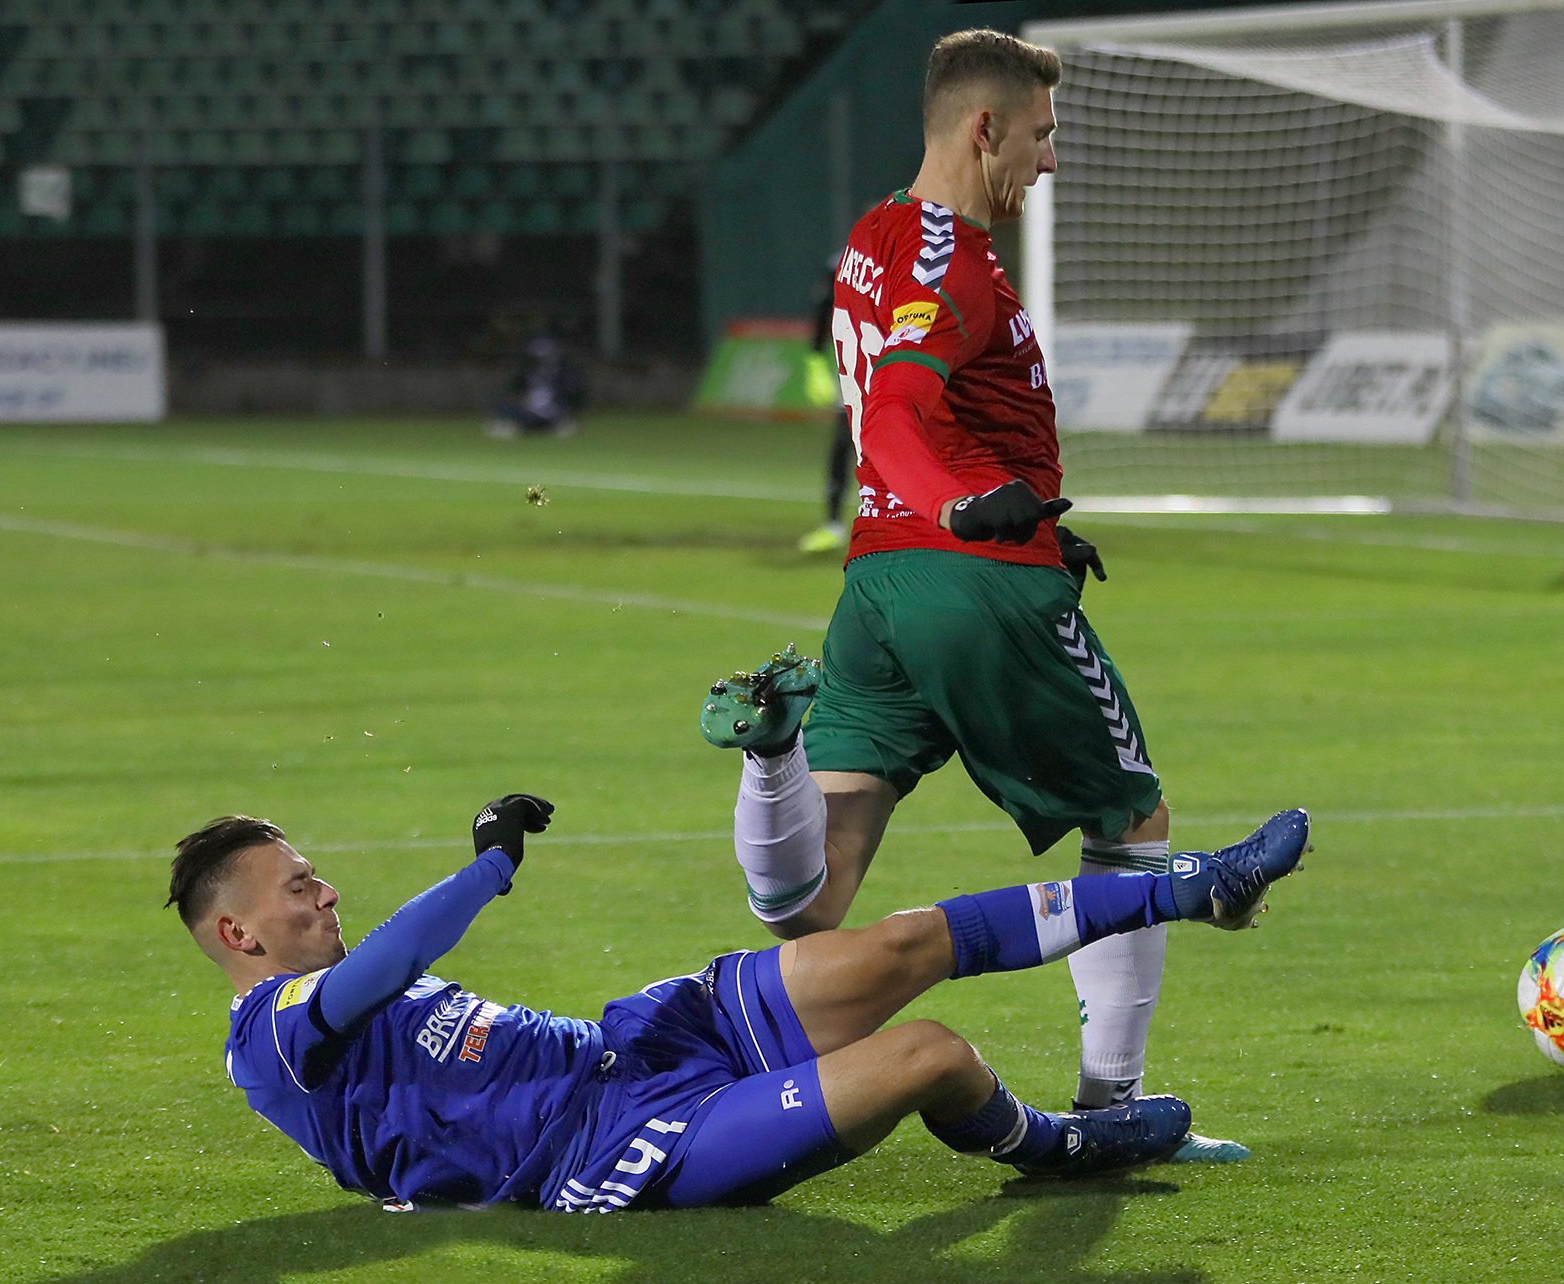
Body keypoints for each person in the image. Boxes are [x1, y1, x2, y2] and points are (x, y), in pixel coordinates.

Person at [700, 30, 1237, 1159]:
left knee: (811, 898)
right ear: (984, 127)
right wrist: (962, 508)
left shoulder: (877, 235)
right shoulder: (951, 260)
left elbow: (926, 416)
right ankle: (1112, 1108)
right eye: (1040, 133)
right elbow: (898, 412)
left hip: (876, 590)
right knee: (1130, 820)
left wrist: (1020, 506)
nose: (1049, 158)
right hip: (970, 583)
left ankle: (769, 761)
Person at [172, 795, 1308, 1211]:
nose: (325, 890)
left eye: (315, 873)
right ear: (237, 935)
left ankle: (1196, 887)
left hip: (635, 1041)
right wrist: (487, 870)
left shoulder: (325, 998)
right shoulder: (267, 1038)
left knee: (904, 941)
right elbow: (379, 970)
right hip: (609, 1149)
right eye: (297, 885)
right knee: (930, 1054)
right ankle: (1057, 1148)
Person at [799, 253, 859, 555]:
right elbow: (823, 312)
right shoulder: (843, 263)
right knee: (842, 445)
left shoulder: (912, 261)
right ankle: (833, 524)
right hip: (856, 374)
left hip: (894, 370)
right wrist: (815, 361)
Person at [485, 334, 588, 438]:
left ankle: (554, 425)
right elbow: (514, 390)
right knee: (506, 409)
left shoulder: (563, 374)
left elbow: (573, 394)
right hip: (528, 408)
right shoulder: (526, 373)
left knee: (556, 416)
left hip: (553, 409)